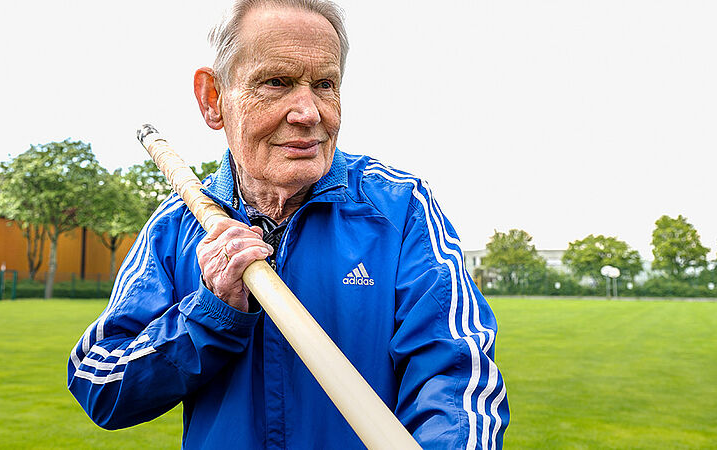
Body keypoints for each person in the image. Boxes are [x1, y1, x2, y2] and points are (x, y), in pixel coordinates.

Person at [67, 0, 509, 448]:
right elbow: (99, 384)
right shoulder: (173, 229)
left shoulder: (400, 208)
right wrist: (210, 314)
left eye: (324, 84)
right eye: (277, 82)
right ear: (212, 99)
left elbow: (456, 377)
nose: (309, 112)